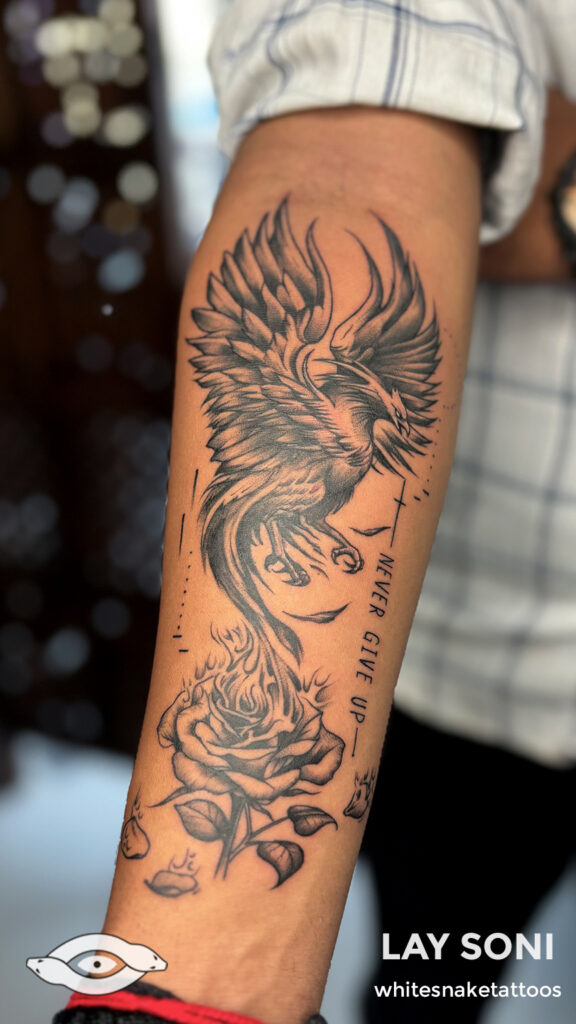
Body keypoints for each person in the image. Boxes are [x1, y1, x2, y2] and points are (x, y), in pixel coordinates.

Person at [52, 2, 575, 1023]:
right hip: (478, 666)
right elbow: (353, 161)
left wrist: (533, 181)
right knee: (431, 980)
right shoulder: (311, 400)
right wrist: (185, 995)